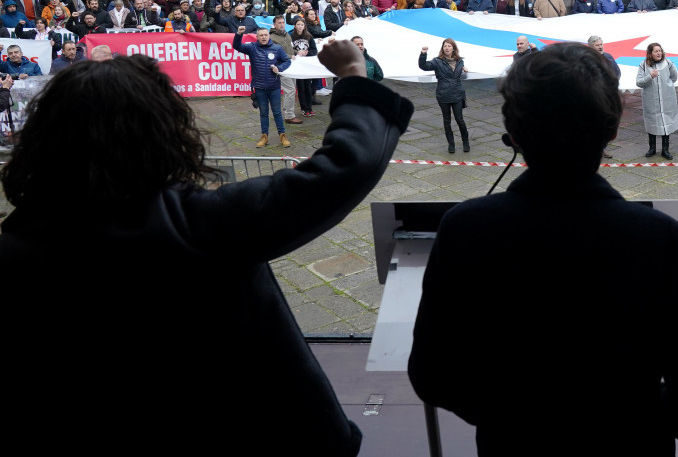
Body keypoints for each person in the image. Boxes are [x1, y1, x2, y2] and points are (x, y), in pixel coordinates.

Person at [0, 40, 413, 455]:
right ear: (160, 131)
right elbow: (342, 169)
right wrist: (353, 75)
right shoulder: (200, 225)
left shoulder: (16, 250)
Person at [408, 42, 678, 455]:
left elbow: (433, 373)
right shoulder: (659, 239)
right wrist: (639, 418)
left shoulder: (465, 229)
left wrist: (506, 415)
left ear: (514, 133)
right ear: (612, 130)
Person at [234, 26, 292, 147]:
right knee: (263, 113)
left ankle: (283, 136)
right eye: (261, 35)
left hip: (274, 86)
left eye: (265, 35)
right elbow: (237, 46)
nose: (264, 37)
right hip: (259, 87)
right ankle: (264, 136)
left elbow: (287, 61)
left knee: (277, 112)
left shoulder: (277, 48)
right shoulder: (251, 48)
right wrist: (239, 34)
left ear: (269, 36)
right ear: (257, 37)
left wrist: (279, 68)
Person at [418, 38, 469, 153]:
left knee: (459, 119)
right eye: (445, 46)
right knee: (447, 121)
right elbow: (424, 66)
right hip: (443, 95)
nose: (447, 48)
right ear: (442, 48)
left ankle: (465, 142)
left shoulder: (460, 61)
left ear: (453, 48)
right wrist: (423, 54)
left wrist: (465, 72)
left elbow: (463, 77)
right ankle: (451, 144)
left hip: (457, 94)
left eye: (449, 46)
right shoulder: (437, 61)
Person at [636, 42, 678, 160]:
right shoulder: (643, 65)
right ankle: (652, 148)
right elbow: (639, 82)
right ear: (650, 53)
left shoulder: (668, 63)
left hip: (666, 99)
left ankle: (665, 149)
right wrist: (650, 76)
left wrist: (667, 85)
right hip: (651, 100)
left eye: (660, 50)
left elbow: (674, 76)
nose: (658, 53)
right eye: (656, 51)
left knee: (666, 122)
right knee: (652, 121)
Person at [266, 15, 302, 125]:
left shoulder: (287, 35)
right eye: (279, 23)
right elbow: (274, 53)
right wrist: (290, 56)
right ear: (274, 24)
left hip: (291, 66)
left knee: (290, 91)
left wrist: (297, 53)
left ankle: (288, 113)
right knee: (290, 90)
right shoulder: (272, 37)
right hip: (281, 67)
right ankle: (289, 115)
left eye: (283, 22)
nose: (282, 25)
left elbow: (290, 49)